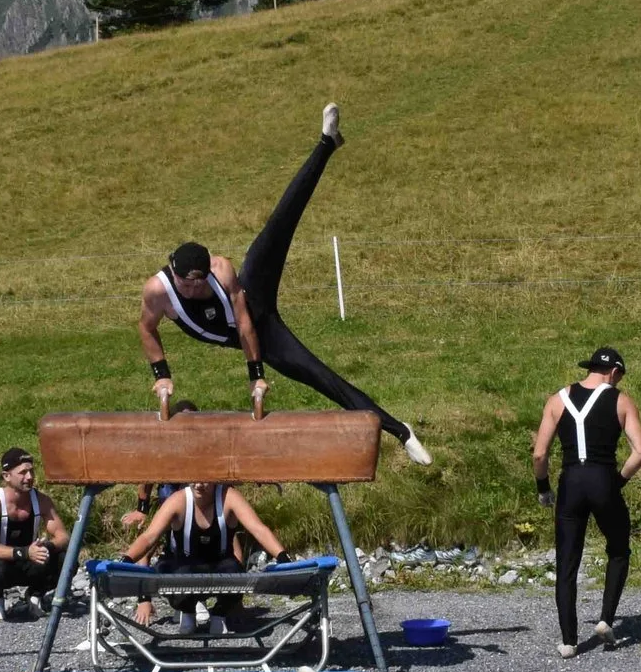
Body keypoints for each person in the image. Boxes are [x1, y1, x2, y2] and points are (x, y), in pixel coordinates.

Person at [138, 103, 432, 463]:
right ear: (174, 272)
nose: (192, 290)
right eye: (186, 285)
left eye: (198, 285)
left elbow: (245, 323)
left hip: (254, 307)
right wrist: (162, 374)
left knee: (279, 224)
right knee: (320, 377)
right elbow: (147, 328)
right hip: (262, 339)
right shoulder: (158, 291)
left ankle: (326, 142)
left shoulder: (222, 270)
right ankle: (400, 429)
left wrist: (255, 374)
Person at [530, 346, 641, 658]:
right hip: (603, 479)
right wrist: (617, 482)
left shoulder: (557, 400)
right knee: (618, 549)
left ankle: (569, 641)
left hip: (570, 483)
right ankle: (606, 620)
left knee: (567, 562)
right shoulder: (621, 400)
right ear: (614, 372)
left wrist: (543, 488)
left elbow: (540, 454)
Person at [119, 481, 286, 634]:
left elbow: (258, 529)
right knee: (169, 574)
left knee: (236, 571)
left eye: (205, 481)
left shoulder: (229, 497)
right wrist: (126, 561)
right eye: (194, 480)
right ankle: (188, 610)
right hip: (185, 568)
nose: (199, 485)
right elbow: (149, 537)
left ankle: (219, 612)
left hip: (219, 564)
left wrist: (283, 557)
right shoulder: (178, 500)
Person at [0, 448, 66, 622]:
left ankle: (35, 594)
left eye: (31, 471)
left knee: (66, 560)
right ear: (6, 476)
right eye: (23, 472)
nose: (30, 477)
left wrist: (47, 546)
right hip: (5, 563)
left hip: (31, 562)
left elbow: (63, 536)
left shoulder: (41, 500)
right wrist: (24, 552)